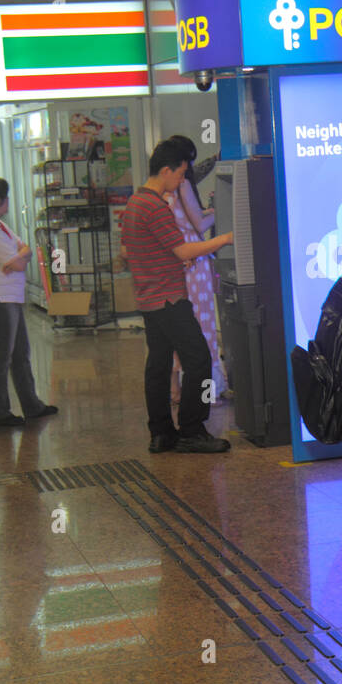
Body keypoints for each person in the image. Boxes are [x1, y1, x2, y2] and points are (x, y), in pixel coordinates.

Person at [122, 138, 234, 454]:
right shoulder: (155, 206)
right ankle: (192, 430)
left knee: (158, 365)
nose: (183, 181)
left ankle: (161, 433)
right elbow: (183, 248)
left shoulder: (134, 204)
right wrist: (224, 238)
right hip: (170, 298)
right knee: (198, 359)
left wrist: (175, 258)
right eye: (181, 174)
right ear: (167, 170)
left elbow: (142, 250)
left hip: (148, 298)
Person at [0, 177, 59, 429]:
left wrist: (20, 256)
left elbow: (25, 250)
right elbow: (21, 260)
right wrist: (20, 257)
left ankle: (32, 405)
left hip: (10, 298)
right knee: (1, 358)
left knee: (20, 354)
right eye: (6, 197)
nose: (8, 201)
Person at [165, 134, 228, 404]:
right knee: (203, 326)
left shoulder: (162, 190)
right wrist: (221, 210)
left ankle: (178, 390)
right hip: (194, 260)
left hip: (177, 263)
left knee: (178, 329)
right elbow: (199, 225)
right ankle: (207, 390)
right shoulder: (183, 185)